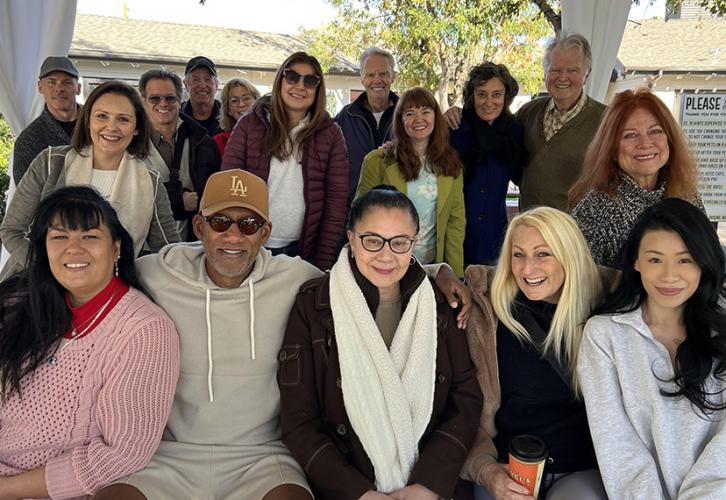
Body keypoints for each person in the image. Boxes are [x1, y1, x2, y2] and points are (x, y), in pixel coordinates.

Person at [95, 171, 469, 500]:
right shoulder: (154, 274)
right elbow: (90, 276)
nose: (233, 236)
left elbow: (368, 270)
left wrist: (438, 272)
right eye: (220, 221)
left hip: (262, 456)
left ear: (266, 232)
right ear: (199, 227)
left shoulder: (296, 279)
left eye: (248, 225)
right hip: (170, 452)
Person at [279, 186, 482, 500]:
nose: (386, 256)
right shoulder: (314, 305)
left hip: (430, 484)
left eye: (399, 243)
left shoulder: (440, 304)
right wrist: (358, 492)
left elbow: (466, 399)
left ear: (414, 242)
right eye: (372, 240)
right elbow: (298, 421)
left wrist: (428, 484)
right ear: (351, 238)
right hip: (346, 486)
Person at [0, 186, 180, 499]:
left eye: (90, 236)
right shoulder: (21, 303)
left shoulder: (144, 331)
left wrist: (7, 490)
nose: (73, 249)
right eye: (59, 236)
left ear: (117, 248)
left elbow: (123, 452)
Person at [578, 198, 726, 499]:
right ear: (636, 261)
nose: (669, 275)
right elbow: (618, 446)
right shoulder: (605, 336)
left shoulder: (722, 325)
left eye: (685, 260)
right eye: (655, 259)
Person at [462, 207, 607, 500]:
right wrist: (485, 470)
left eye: (543, 254)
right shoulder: (487, 314)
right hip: (505, 466)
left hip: (580, 468)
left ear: (570, 255)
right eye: (518, 254)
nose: (527, 269)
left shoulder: (605, 311)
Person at [0, 80, 180, 280]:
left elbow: (168, 251)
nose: (111, 127)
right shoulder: (51, 163)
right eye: (102, 116)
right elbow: (12, 230)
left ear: (137, 127)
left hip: (109, 293)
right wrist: (50, 269)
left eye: (123, 119)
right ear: (87, 120)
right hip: (39, 283)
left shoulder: (151, 182)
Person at [445, 33, 606, 212]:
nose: (563, 77)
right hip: (527, 227)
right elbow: (494, 124)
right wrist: (454, 113)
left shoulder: (606, 120)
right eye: (555, 70)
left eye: (572, 70)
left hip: (571, 233)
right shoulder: (529, 113)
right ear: (546, 73)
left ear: (586, 74)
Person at [221, 51, 348, 271]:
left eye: (310, 81)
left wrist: (322, 263)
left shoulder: (331, 134)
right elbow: (228, 187)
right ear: (281, 79)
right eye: (292, 76)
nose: (300, 86)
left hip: (303, 251)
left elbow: (336, 204)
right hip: (250, 243)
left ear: (318, 89)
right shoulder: (249, 125)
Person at [570, 88, 702, 268]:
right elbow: (577, 279)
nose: (645, 143)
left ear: (669, 140)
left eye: (655, 131)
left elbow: (708, 258)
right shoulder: (594, 209)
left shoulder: (688, 196)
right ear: (612, 149)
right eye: (630, 135)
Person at [356, 87, 465, 276]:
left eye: (425, 112)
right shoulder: (378, 162)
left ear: (435, 117)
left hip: (432, 266)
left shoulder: (451, 165)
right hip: (386, 264)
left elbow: (455, 222)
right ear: (400, 120)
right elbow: (360, 217)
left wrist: (454, 274)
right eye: (410, 113)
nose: (418, 119)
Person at [449, 62, 527, 266]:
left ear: (506, 96)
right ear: (471, 96)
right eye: (481, 94)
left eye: (496, 94)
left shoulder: (515, 133)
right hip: (456, 237)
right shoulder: (455, 128)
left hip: (495, 238)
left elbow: (522, 174)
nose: (489, 102)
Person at [139, 69, 221, 241]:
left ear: (180, 100)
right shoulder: (128, 144)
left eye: (170, 98)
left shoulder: (204, 143)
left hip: (193, 245)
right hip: (143, 247)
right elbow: (124, 198)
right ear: (143, 101)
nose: (163, 104)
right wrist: (176, 201)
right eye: (155, 98)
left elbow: (215, 197)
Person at [335, 47, 399, 199]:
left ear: (393, 76)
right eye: (370, 75)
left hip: (397, 210)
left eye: (383, 74)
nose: (377, 80)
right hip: (355, 211)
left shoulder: (408, 115)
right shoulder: (345, 118)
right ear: (362, 78)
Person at [12, 56, 81, 185]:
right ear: (40, 87)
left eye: (67, 82)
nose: (59, 88)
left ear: (78, 88)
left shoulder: (98, 126)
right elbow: (26, 197)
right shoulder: (28, 140)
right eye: (51, 82)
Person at [213, 77, 260, 156]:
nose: (241, 104)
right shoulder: (216, 142)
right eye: (234, 101)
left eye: (246, 98)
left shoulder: (271, 136)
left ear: (257, 102)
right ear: (228, 109)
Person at [182, 56, 222, 136]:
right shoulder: (176, 117)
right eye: (195, 79)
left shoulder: (228, 117)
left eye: (208, 79)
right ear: (186, 85)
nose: (203, 85)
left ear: (216, 85)